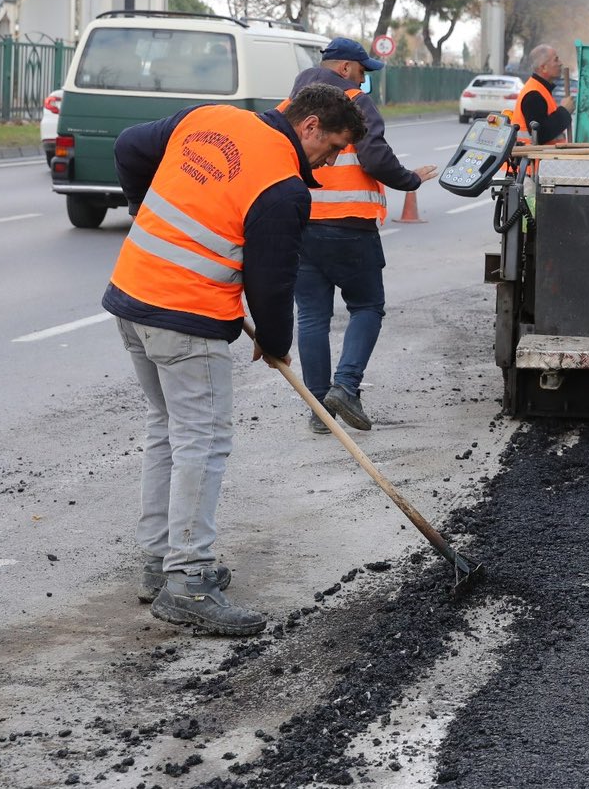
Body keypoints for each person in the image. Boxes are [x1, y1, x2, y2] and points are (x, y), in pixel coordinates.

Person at [104, 84, 365, 637]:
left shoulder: (212, 117)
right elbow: (271, 283)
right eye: (335, 147)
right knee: (202, 439)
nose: (333, 160)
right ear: (311, 125)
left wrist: (142, 209)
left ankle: (160, 561)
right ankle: (190, 579)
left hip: (132, 293)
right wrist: (274, 342)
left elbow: (129, 146)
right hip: (185, 315)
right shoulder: (283, 185)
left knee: (168, 429)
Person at [289, 38, 441, 436]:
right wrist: (409, 179)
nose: (365, 78)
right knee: (367, 306)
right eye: (362, 69)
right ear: (344, 68)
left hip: (302, 222)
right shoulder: (354, 101)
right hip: (350, 223)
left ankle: (319, 409)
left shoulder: (293, 105)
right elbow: (374, 156)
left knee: (311, 316)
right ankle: (346, 387)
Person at [512, 44, 575, 149]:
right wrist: (564, 111)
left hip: (540, 162)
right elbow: (540, 135)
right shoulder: (533, 94)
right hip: (532, 163)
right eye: (556, 60)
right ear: (543, 67)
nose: (560, 63)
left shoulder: (540, 89)